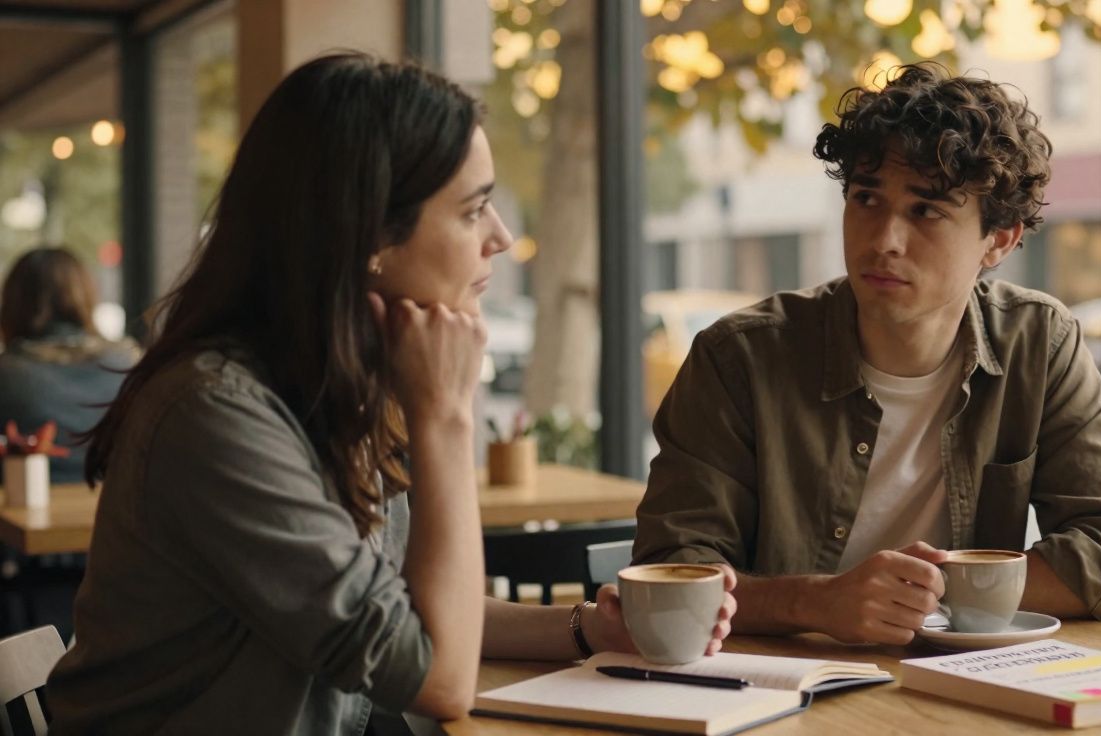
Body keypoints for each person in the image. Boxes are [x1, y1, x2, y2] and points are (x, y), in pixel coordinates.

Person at [45, 53, 734, 735]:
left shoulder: (339, 390)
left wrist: (589, 629)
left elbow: (410, 617)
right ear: (370, 234)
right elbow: (438, 678)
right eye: (474, 209)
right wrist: (446, 417)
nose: (501, 237)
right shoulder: (218, 416)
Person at [632, 63, 1101, 647]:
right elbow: (671, 568)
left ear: (999, 240)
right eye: (866, 199)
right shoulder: (739, 358)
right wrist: (815, 602)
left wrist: (925, 590)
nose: (883, 240)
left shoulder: (1039, 344)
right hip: (779, 681)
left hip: (953, 677)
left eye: (926, 211)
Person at [0, 246, 137, 483]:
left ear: (11, 303)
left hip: (26, 503)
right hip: (110, 501)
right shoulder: (128, 364)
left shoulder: (7, 373)